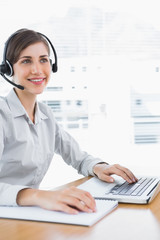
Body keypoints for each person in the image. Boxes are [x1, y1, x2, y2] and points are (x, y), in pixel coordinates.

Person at [0, 29, 137, 215]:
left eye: (43, 60)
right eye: (26, 61)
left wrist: (100, 167)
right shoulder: (2, 114)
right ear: (8, 69)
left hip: (25, 216)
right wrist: (40, 196)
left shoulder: (45, 115)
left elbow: (78, 158)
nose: (37, 70)